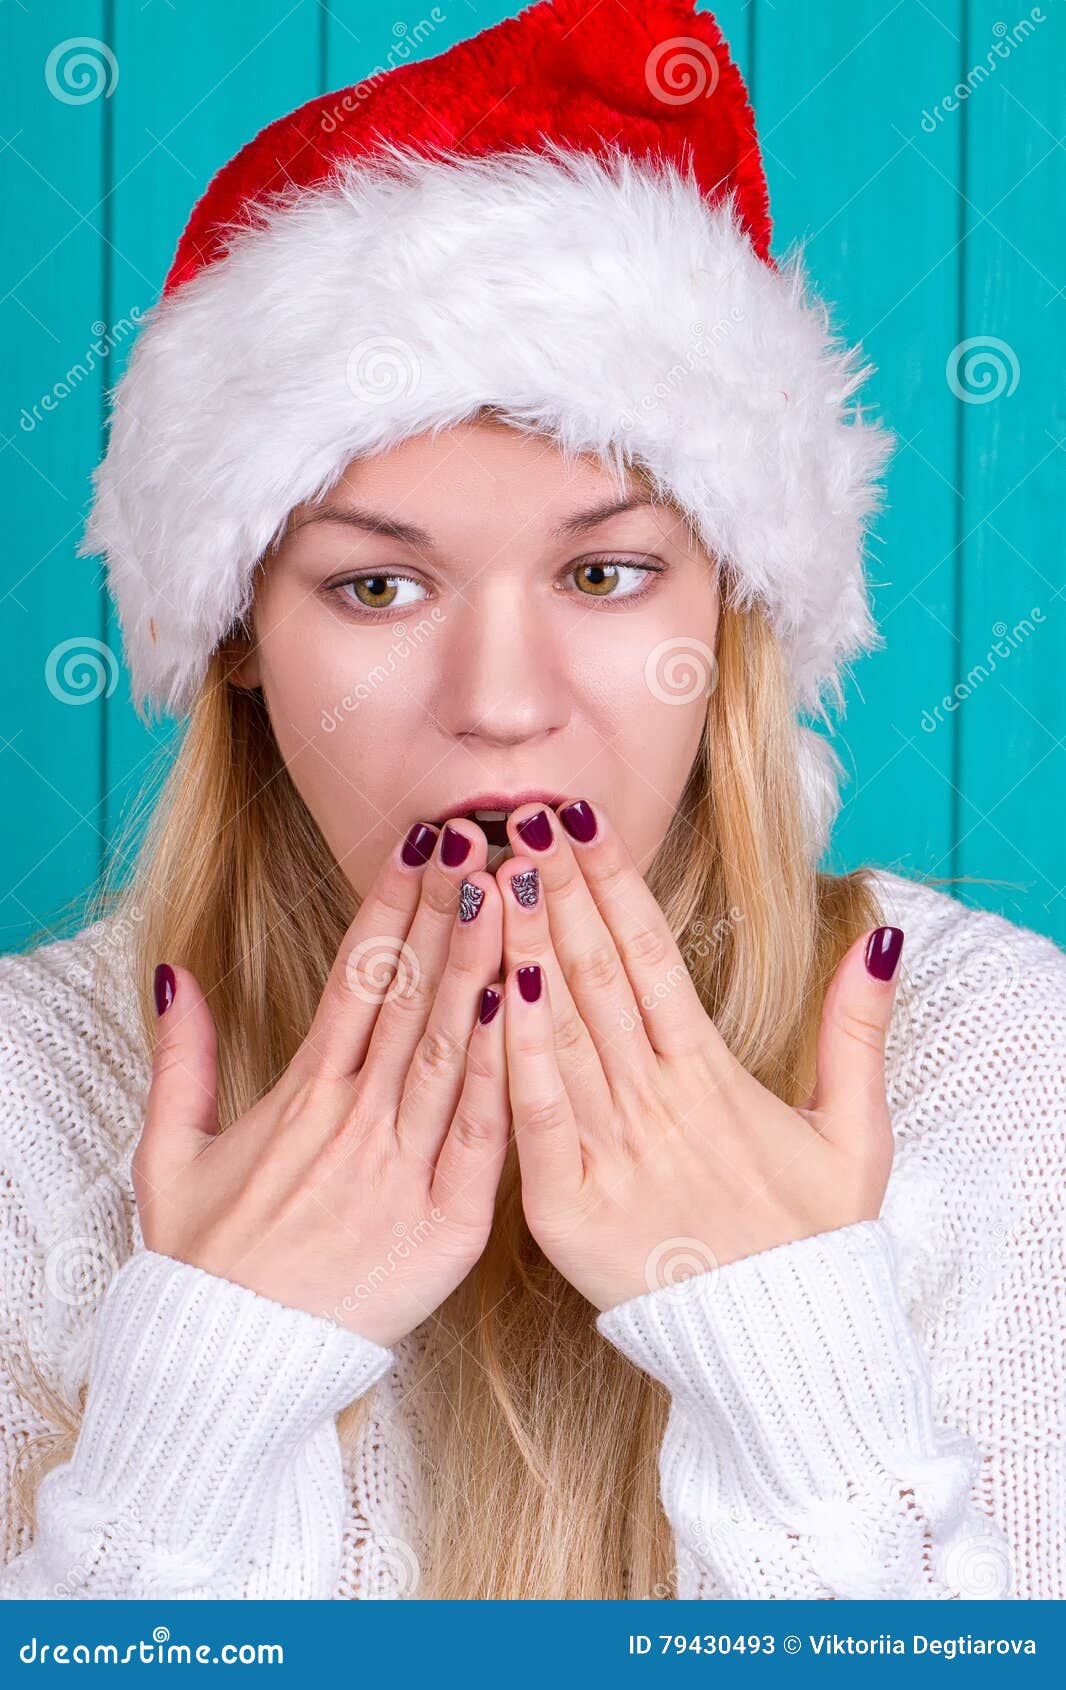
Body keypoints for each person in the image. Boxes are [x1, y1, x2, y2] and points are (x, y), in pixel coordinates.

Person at [1, 0, 1063, 1602]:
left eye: (606, 570)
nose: (501, 698)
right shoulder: (32, 1108)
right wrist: (205, 1389)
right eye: (374, 585)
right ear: (235, 643)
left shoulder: (999, 1067)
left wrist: (786, 1351)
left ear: (730, 615)